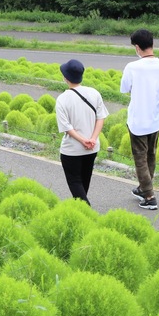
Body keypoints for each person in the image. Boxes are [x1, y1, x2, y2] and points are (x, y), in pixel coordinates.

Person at [120, 29, 159, 210]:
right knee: (151, 155)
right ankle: (143, 188)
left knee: (140, 158)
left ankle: (149, 196)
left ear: (137, 47)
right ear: (152, 44)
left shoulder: (133, 67)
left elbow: (124, 88)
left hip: (138, 119)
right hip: (155, 117)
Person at [55, 59, 108, 206]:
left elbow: (66, 127)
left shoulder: (62, 99)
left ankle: (86, 211)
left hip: (72, 149)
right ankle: (80, 211)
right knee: (84, 183)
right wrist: (92, 138)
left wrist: (82, 140)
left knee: (75, 183)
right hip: (92, 148)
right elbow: (101, 117)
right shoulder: (94, 93)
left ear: (65, 77)